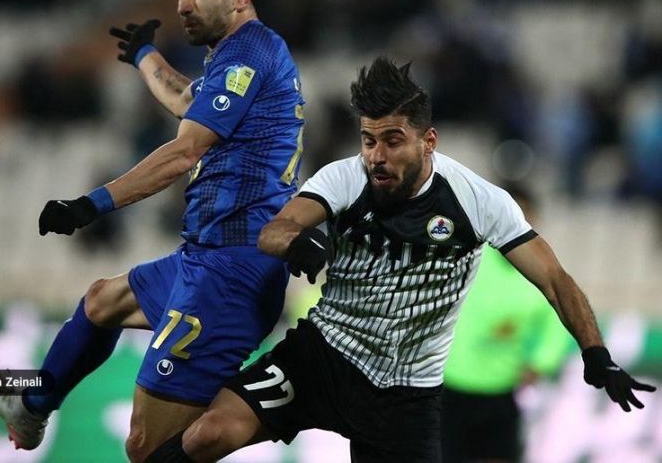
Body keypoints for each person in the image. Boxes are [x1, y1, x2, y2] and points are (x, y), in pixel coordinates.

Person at [146, 57, 655, 463]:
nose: (377, 156)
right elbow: (276, 230)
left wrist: (596, 353)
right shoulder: (345, 178)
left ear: (428, 141)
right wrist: (299, 242)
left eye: (392, 141)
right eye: (369, 140)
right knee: (210, 434)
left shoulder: (479, 202)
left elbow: (554, 280)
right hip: (324, 357)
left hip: (405, 396)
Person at [0, 0, 306, 462]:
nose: (183, 4)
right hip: (206, 258)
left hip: (231, 274)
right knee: (102, 302)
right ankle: (31, 408)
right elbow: (190, 101)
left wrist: (91, 204)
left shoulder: (250, 54)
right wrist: (146, 56)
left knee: (146, 448)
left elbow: (184, 152)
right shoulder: (239, 56)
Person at [441, 184, 573, 463]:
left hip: (501, 390)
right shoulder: (466, 256)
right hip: (450, 386)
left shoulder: (543, 271)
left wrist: (539, 363)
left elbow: (556, 325)